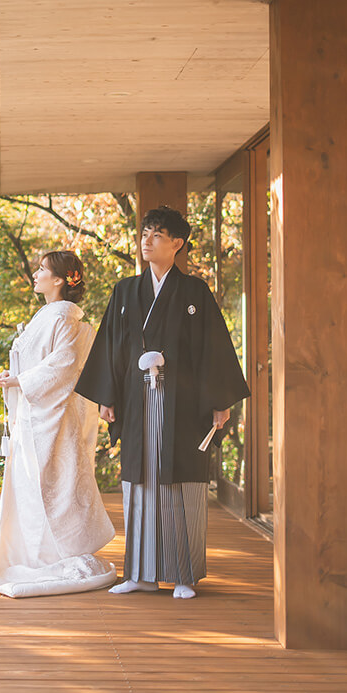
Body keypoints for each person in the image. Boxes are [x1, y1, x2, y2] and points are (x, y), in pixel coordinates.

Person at [75, 205, 249, 599]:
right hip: (137, 400)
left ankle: (183, 575)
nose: (146, 241)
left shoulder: (194, 293)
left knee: (182, 482)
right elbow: (112, 346)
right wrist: (108, 395)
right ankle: (139, 573)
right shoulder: (125, 291)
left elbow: (213, 349)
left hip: (183, 402)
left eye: (156, 235)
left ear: (177, 244)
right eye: (144, 234)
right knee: (140, 481)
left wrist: (220, 401)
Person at [0, 250, 118, 598]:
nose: (36, 274)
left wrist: (21, 381)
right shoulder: (49, 315)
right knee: (32, 484)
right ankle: (34, 552)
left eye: (42, 269)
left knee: (54, 483)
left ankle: (56, 553)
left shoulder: (64, 318)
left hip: (52, 416)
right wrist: (14, 377)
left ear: (59, 279)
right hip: (34, 413)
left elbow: (65, 365)